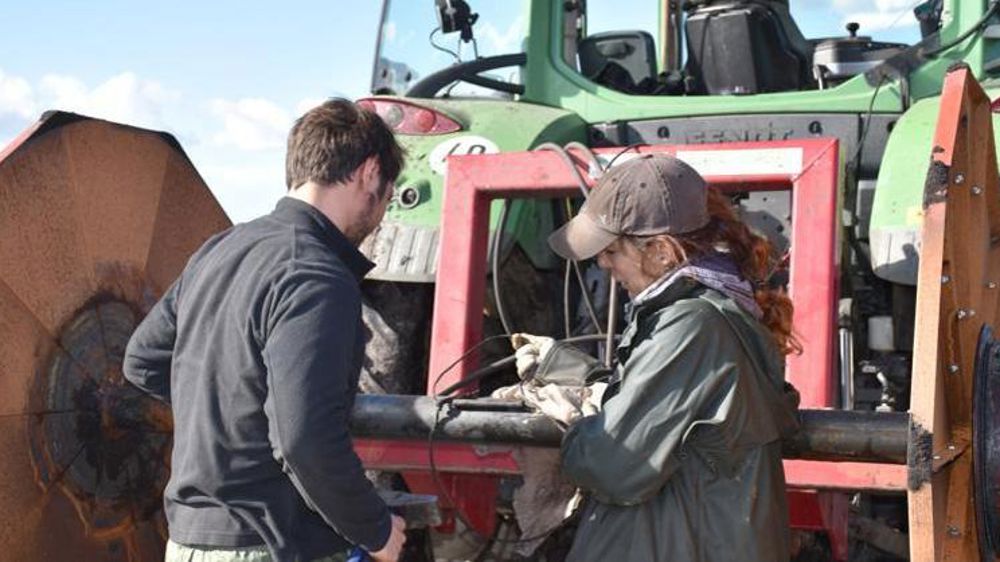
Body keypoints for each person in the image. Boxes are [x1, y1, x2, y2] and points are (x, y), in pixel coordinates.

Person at [123, 99, 407, 562]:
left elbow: (142, 361)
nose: (380, 218)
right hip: (269, 544)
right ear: (369, 172)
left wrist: (231, 412)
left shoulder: (220, 250)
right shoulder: (318, 275)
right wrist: (375, 529)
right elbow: (303, 438)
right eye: (387, 198)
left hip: (189, 543)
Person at [518, 153, 801, 561]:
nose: (602, 262)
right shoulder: (696, 311)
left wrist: (579, 425)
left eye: (612, 250)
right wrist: (572, 371)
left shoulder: (692, 325)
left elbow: (614, 463)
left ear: (663, 252)